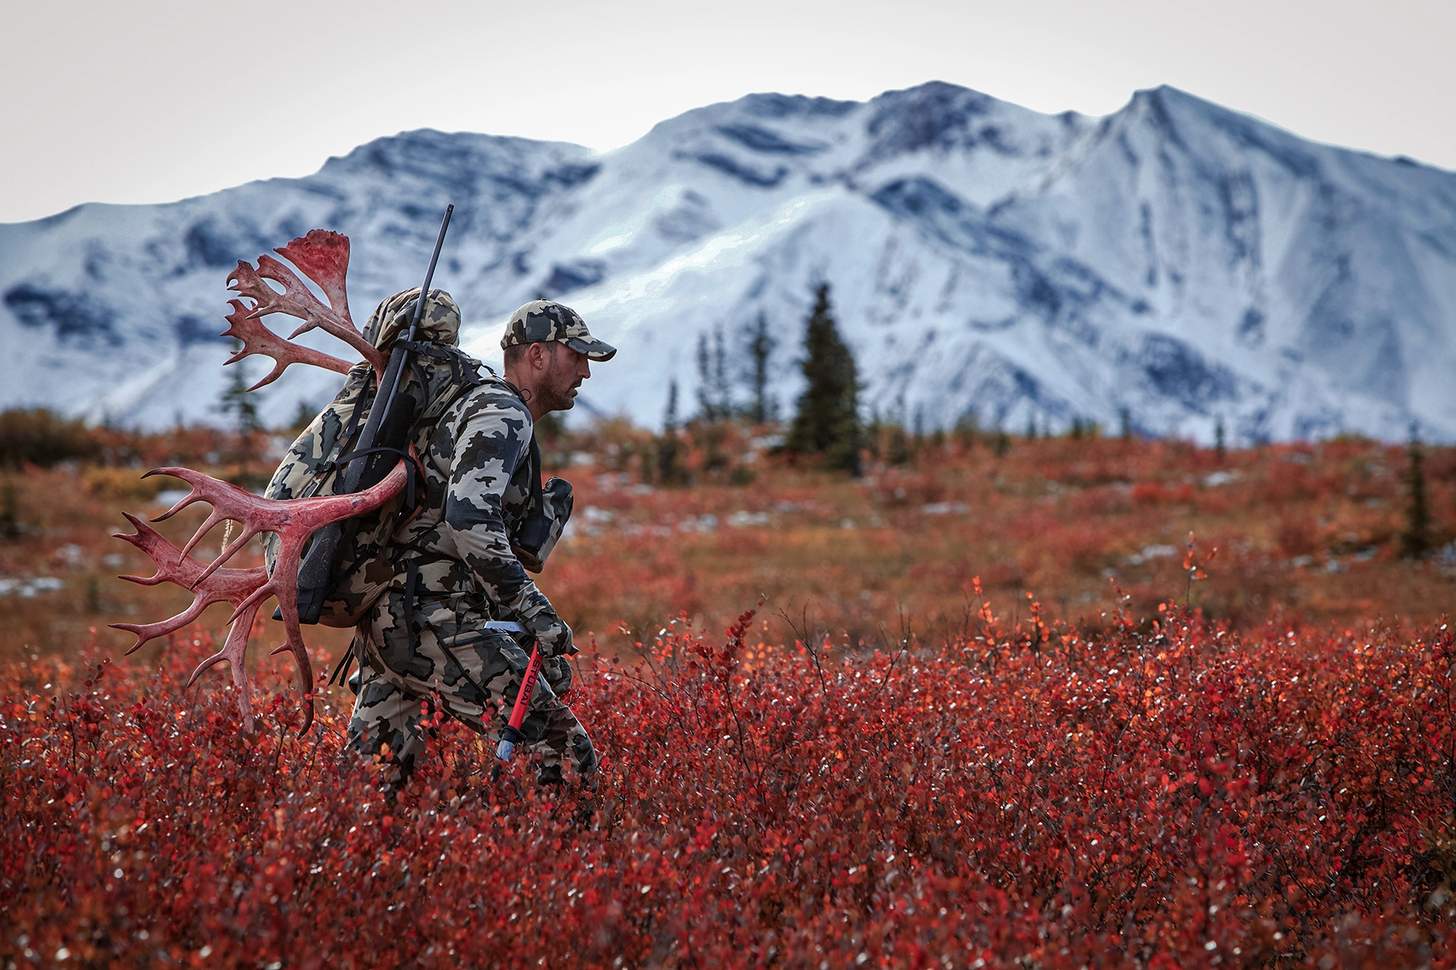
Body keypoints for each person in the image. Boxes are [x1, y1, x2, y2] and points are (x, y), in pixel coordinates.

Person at [343, 297, 616, 789]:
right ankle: (562, 862)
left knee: (372, 786)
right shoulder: (503, 414)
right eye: (576, 357)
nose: (585, 372)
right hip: (432, 616)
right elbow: (469, 518)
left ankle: (320, 857)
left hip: (392, 615)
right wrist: (534, 612)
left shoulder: (471, 403)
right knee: (561, 754)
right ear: (537, 355)